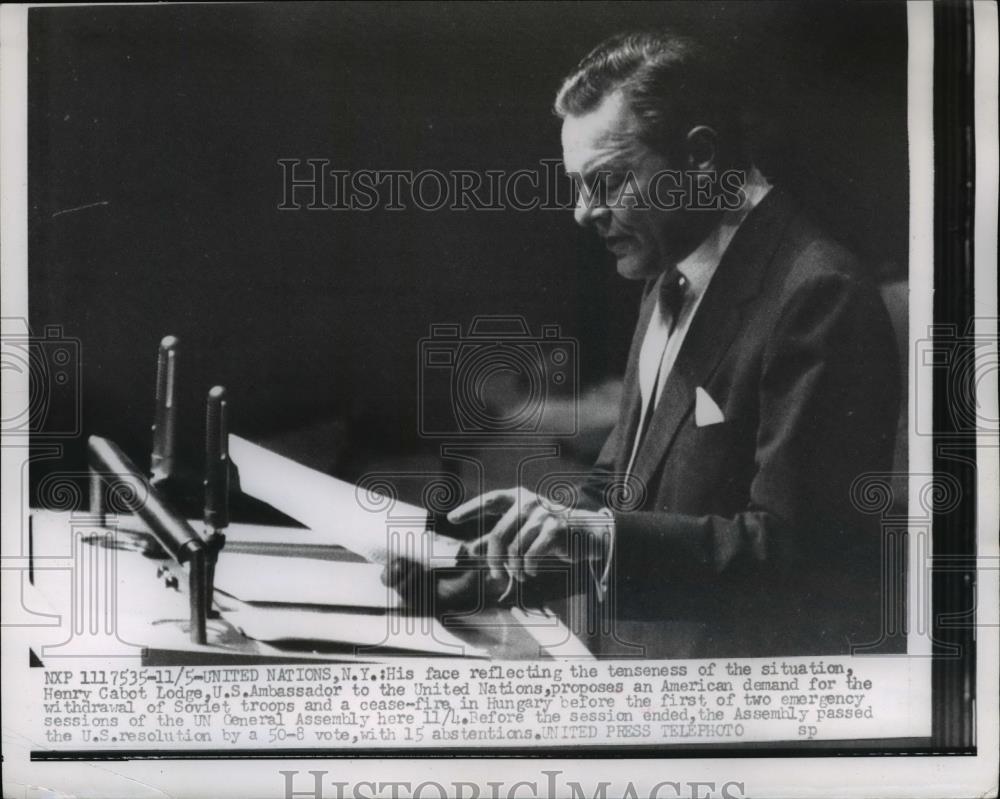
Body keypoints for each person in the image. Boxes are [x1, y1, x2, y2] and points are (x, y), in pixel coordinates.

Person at [388, 30, 900, 658]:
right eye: (578, 185)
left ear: (700, 158)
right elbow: (620, 487)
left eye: (606, 181)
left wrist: (590, 534)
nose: (583, 212)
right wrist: (487, 571)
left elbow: (796, 555)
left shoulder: (819, 294)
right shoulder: (671, 270)